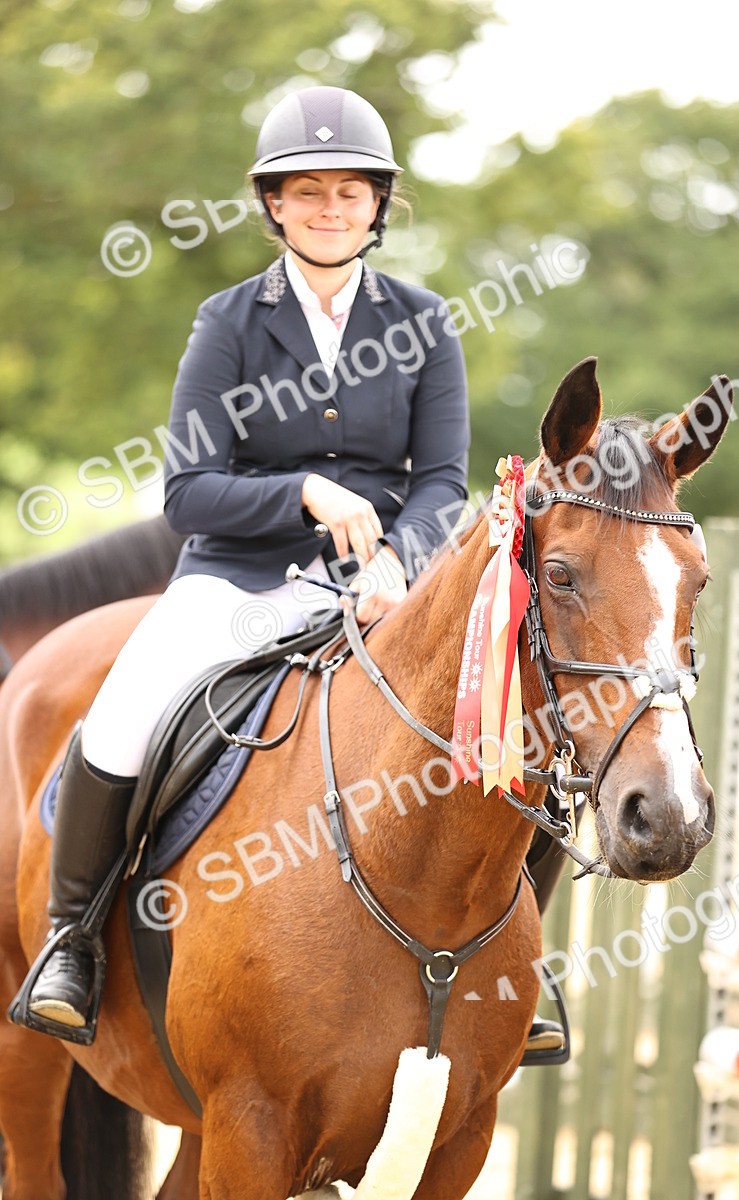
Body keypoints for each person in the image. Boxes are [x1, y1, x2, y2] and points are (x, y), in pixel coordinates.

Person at [22, 85, 470, 1033]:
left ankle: (524, 963)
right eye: (308, 192)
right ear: (274, 202)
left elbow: (442, 480)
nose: (330, 209)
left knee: (506, 715)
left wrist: (401, 556)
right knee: (123, 714)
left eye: (349, 192)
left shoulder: (426, 322)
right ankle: (71, 940)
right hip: (235, 578)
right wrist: (304, 491)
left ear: (377, 204)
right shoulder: (227, 321)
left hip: (380, 583)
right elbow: (187, 490)